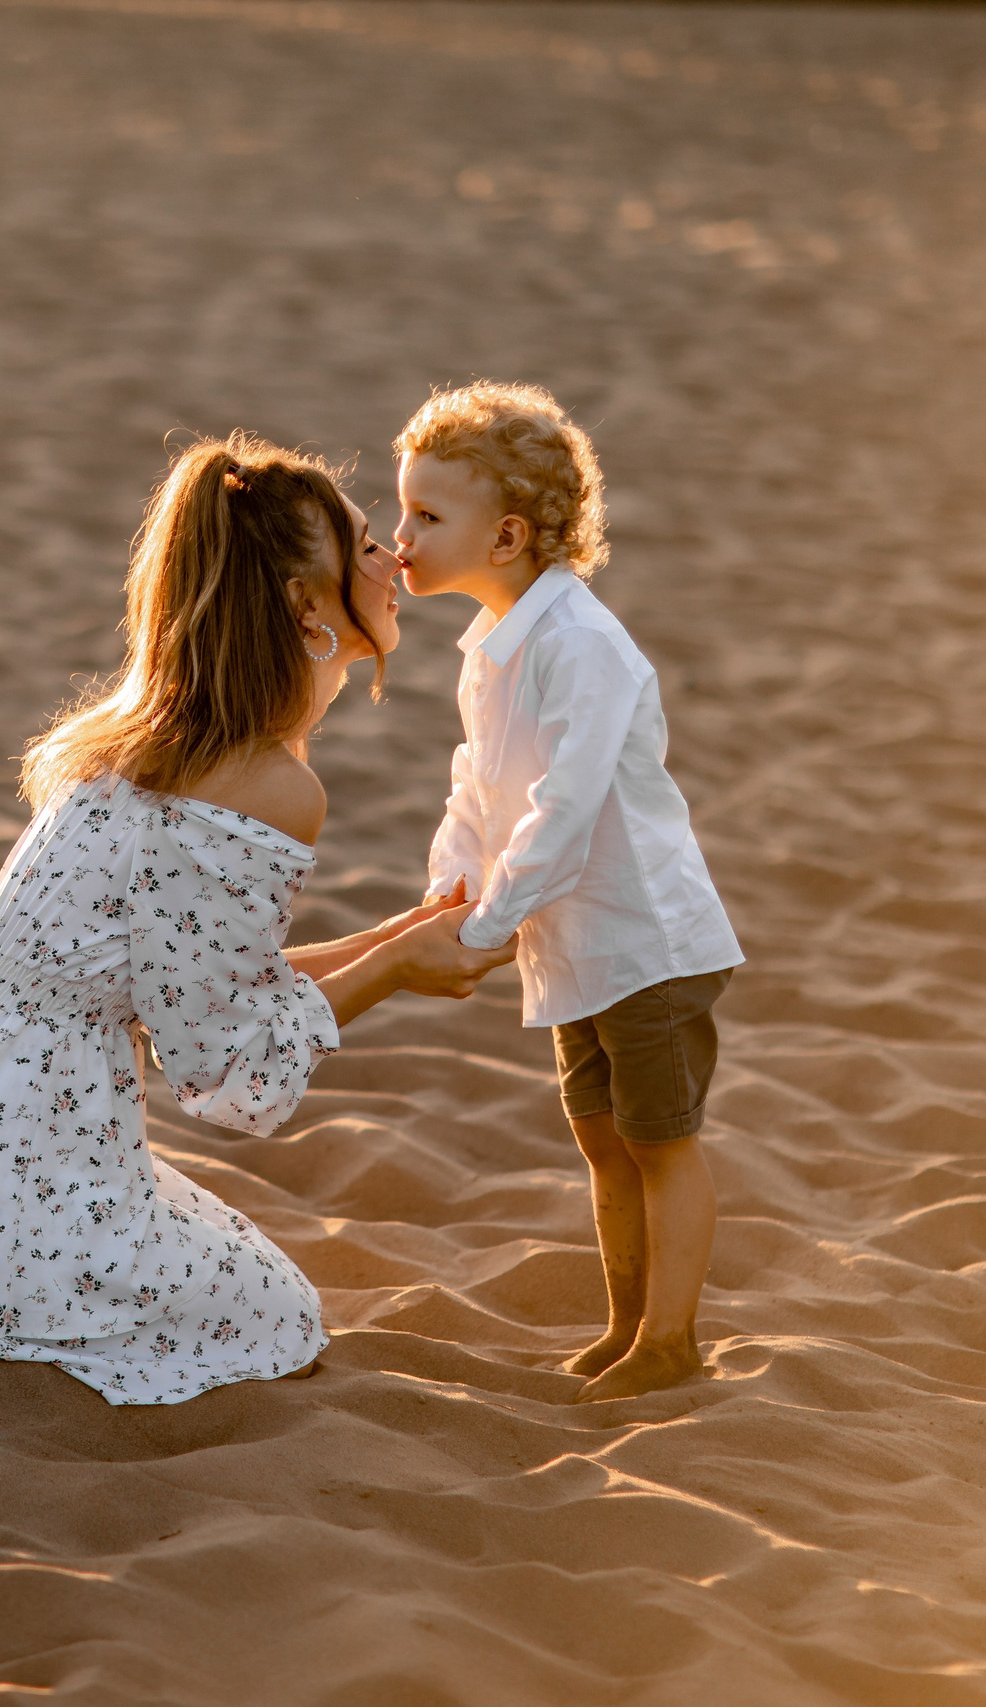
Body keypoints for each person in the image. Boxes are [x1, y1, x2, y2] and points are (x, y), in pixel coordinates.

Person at [0, 432, 512, 1404]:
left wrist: (396, 933)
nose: (391, 553)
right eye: (362, 545)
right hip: (2, 1143)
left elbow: (197, 969)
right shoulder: (267, 782)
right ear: (307, 609)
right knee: (275, 1314)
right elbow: (219, 1064)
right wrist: (397, 972)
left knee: (206, 1254)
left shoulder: (145, 742)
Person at [392, 382, 744, 1404]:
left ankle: (670, 1341)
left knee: (657, 1140)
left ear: (504, 537)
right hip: (571, 941)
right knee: (600, 1137)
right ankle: (626, 1324)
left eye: (424, 516)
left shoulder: (579, 644)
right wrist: (447, 895)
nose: (398, 535)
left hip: (645, 941)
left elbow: (570, 800)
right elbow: (479, 781)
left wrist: (493, 921)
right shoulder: (492, 646)